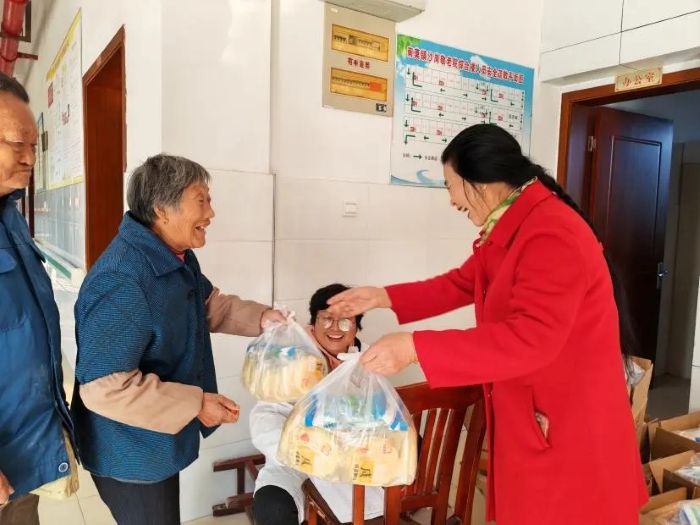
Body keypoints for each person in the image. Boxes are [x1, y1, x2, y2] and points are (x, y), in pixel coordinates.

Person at [327, 124, 647, 525]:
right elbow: (462, 283)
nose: (451, 201)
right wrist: (382, 296)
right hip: (536, 412)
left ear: (479, 179)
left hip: (569, 424)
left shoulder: (552, 233)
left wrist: (414, 347)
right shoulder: (512, 226)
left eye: (450, 186)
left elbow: (530, 338)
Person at [71, 154, 285, 525]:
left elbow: (206, 304)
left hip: (154, 439)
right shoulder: (122, 280)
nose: (211, 213)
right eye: (201, 200)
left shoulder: (173, 257)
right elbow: (104, 388)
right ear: (162, 209)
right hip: (128, 452)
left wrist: (263, 318)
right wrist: (196, 403)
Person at [0, 72, 78, 524]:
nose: (31, 157)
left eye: (34, 146)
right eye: (18, 144)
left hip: (21, 459)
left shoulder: (10, 218)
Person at [251, 284, 384, 525]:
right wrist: (301, 451)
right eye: (327, 319)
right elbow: (267, 414)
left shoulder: (368, 362)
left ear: (356, 326)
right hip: (294, 459)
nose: (335, 328)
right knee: (272, 507)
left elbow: (383, 416)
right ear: (313, 323)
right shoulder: (291, 357)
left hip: (349, 463)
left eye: (345, 321)